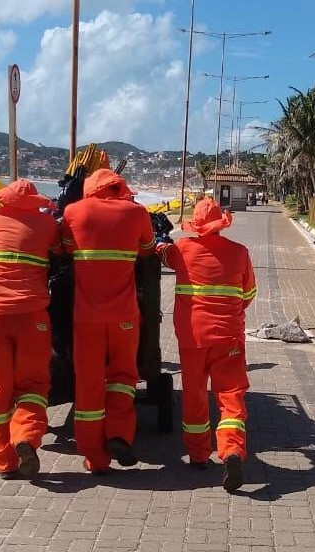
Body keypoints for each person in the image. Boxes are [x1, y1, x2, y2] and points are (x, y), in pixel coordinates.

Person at [155, 197, 256, 492]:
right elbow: (248, 294)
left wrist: (160, 242)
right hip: (228, 337)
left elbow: (160, 253)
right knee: (230, 396)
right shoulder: (240, 253)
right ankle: (232, 451)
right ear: (221, 225)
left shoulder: (183, 250)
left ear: (196, 225)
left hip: (192, 338)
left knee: (195, 396)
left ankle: (199, 456)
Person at [61, 168, 155, 474]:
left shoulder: (73, 212)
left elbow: (64, 248)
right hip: (124, 317)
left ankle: (94, 457)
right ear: (120, 187)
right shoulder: (137, 213)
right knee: (123, 378)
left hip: (86, 318)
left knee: (89, 383)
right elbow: (147, 249)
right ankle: (118, 434)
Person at [0, 180, 61, 479]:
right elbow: (60, 249)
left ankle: (4, 460)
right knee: (34, 385)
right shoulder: (47, 223)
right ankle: (26, 436)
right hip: (32, 316)